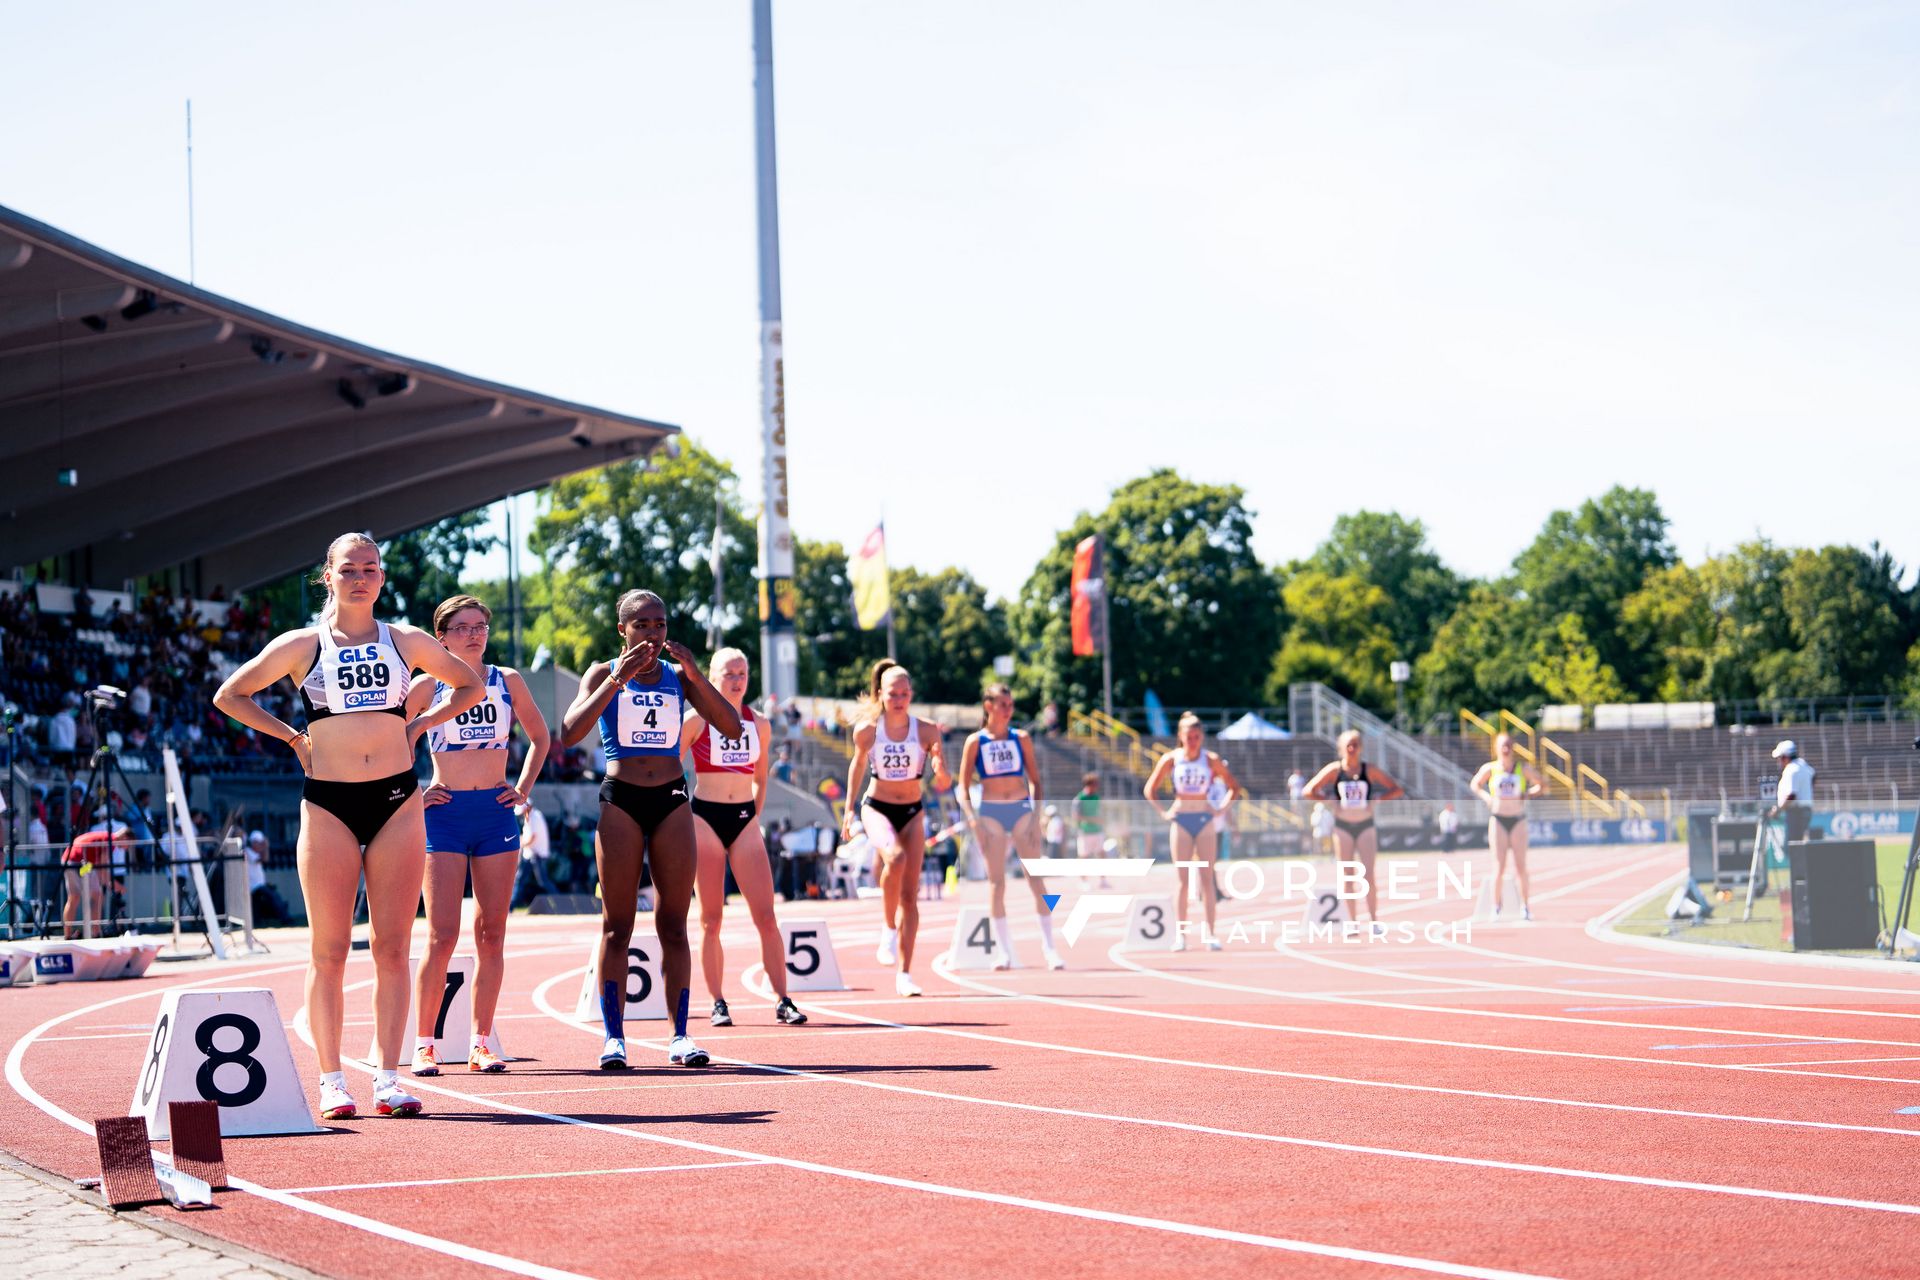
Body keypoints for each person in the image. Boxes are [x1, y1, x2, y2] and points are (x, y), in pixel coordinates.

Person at [214, 531, 482, 1121]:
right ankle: (333, 1080)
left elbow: (472, 683)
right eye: (348, 569)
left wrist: (417, 726)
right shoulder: (301, 644)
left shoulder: (405, 640)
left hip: (396, 800)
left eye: (370, 568)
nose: (360, 577)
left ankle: (388, 1078)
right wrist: (291, 737)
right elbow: (230, 695)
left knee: (392, 946)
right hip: (329, 802)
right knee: (329, 949)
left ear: (382, 578)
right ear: (327, 577)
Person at [558, 590, 739, 1071]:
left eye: (659, 624)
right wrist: (617, 678)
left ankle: (680, 1035)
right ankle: (614, 1039)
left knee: (674, 923)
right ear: (623, 630)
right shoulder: (602, 671)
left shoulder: (678, 677)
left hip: (673, 801)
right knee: (618, 927)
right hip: (621, 801)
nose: (652, 634)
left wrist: (697, 674)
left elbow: (732, 726)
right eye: (641, 625)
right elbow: (570, 731)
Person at [406, 594, 550, 1077]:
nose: (475, 633)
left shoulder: (507, 681)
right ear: (441, 637)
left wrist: (523, 791)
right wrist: (414, 792)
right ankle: (424, 1044)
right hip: (444, 815)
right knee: (441, 934)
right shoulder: (425, 686)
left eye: (481, 625)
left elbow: (541, 737)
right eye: (463, 627)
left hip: (494, 814)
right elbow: (393, 741)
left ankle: (481, 1043)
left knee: (492, 934)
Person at [682, 647, 807, 1028]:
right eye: (728, 673)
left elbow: (761, 776)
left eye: (742, 672)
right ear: (713, 676)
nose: (737, 680)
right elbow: (670, 765)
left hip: (743, 820)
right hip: (705, 818)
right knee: (711, 918)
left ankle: (783, 999)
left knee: (766, 915)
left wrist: (753, 813)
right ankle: (718, 1001)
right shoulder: (696, 720)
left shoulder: (760, 724)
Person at [842, 660, 952, 996]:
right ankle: (888, 928)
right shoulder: (868, 730)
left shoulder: (928, 731)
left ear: (911, 695)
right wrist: (848, 810)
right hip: (877, 807)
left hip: (913, 810)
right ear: (881, 694)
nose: (900, 699)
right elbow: (857, 766)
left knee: (911, 894)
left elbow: (944, 780)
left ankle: (905, 973)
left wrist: (940, 766)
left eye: (905, 693)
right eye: (893, 694)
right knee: (897, 858)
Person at [956, 683, 1062, 970]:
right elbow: (962, 786)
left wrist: (1037, 816)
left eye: (1010, 704)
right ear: (988, 706)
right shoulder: (976, 742)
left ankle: (1050, 946)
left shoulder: (1021, 738)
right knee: (996, 883)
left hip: (1020, 810)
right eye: (1002, 704)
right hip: (990, 812)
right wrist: (973, 820)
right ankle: (1004, 952)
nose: (1008, 709)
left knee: (1036, 878)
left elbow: (1036, 781)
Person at [1141, 712, 1240, 950]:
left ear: (1202, 736)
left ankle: (1211, 933)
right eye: (1189, 736)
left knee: (1207, 878)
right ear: (1180, 736)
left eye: (1197, 736)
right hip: (1181, 819)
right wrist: (1163, 812)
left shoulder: (1210, 760)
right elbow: (1149, 789)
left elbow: (1234, 788)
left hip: (1205, 819)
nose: (1193, 741)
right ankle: (1181, 936)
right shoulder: (1171, 759)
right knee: (1183, 881)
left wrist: (1221, 809)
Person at [1300, 729, 1406, 931]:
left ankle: (1374, 920)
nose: (1352, 748)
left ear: (1361, 748)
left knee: (1368, 875)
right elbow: (1308, 790)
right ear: (1341, 748)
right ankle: (1351, 922)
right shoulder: (1335, 770)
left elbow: (1396, 788)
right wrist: (1328, 801)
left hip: (1366, 825)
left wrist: (1377, 800)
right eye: (1348, 744)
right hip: (1343, 827)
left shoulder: (1370, 770)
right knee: (1347, 875)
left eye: (1356, 744)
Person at [1469, 734, 1540, 920]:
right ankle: (1495, 907)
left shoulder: (1522, 768)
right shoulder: (1490, 769)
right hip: (1498, 819)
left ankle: (1525, 907)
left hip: (1518, 819)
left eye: (1509, 745)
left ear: (1513, 747)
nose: (1506, 748)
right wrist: (1486, 797)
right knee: (1498, 866)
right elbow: (1475, 784)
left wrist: (1528, 794)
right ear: (1496, 747)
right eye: (1502, 745)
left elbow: (1542, 784)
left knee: (1520, 866)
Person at [1768, 739, 1815, 845]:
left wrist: (1778, 810)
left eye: (1780, 758)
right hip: (1804, 809)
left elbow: (1792, 795)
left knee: (1792, 845)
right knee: (1800, 844)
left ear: (1785, 757)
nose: (1779, 761)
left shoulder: (1791, 770)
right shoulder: (1802, 764)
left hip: (1795, 812)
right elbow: (1813, 775)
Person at [1072, 774, 1109, 887]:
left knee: (1102, 854)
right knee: (1083, 857)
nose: (1097, 786)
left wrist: (1103, 819)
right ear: (1089, 784)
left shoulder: (1097, 797)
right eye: (1095, 784)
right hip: (1085, 831)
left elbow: (1101, 811)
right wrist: (1092, 819)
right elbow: (1076, 816)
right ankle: (1084, 881)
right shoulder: (1079, 799)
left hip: (1097, 831)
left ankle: (1103, 881)